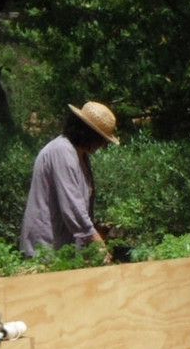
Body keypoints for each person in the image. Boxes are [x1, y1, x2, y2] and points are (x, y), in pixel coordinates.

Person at [20, 101, 118, 258]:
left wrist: (96, 226)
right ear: (87, 133)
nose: (102, 145)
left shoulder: (81, 156)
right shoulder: (62, 151)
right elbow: (72, 206)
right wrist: (97, 242)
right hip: (46, 249)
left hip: (64, 249)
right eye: (101, 139)